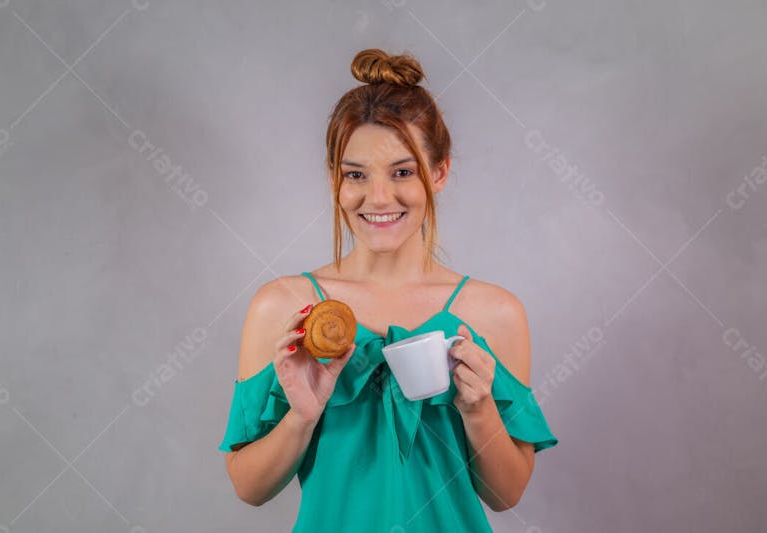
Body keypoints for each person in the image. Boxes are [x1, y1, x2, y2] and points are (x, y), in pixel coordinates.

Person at [219, 48, 558, 532]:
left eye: (403, 171)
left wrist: (479, 409)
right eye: (355, 174)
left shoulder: (494, 313)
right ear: (335, 180)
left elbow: (506, 496)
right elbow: (248, 488)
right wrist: (301, 415)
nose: (378, 197)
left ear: (438, 173)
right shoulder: (283, 308)